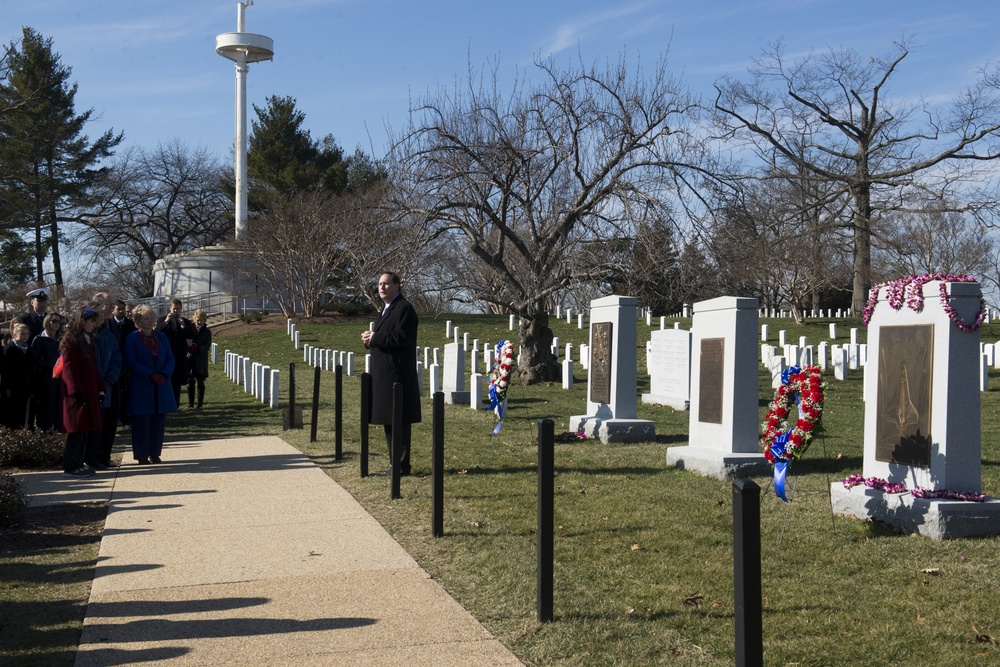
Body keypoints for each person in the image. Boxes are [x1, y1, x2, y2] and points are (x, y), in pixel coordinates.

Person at [361, 272, 421, 476]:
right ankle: (395, 464)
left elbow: (401, 337)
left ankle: (402, 466)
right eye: (379, 284)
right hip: (384, 376)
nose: (381, 287)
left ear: (397, 286)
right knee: (390, 419)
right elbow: (385, 338)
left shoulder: (404, 308)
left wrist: (375, 337)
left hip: (397, 376)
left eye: (386, 284)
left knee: (400, 421)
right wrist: (370, 339)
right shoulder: (386, 309)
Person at [126, 304, 177, 464]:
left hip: (161, 383)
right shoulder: (132, 338)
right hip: (143, 383)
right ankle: (142, 455)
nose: (150, 321)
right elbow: (131, 360)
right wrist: (149, 374)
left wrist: (163, 373)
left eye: (152, 318)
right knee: (142, 420)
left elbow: (170, 357)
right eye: (146, 318)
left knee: (158, 419)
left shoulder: (161, 337)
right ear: (138, 321)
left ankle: (155, 453)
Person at [59, 306, 102, 478]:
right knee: (76, 430)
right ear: (82, 321)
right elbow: (69, 368)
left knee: (84, 429)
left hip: (88, 389)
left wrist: (100, 387)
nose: (94, 324)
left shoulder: (88, 338)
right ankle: (70, 466)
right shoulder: (71, 339)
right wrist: (75, 390)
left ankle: (79, 463)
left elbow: (92, 367)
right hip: (76, 392)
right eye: (92, 321)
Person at [91, 294, 123, 468]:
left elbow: (117, 356)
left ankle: (105, 455)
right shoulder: (89, 332)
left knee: (110, 420)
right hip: (94, 383)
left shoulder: (111, 327)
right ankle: (93, 456)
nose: (112, 307)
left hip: (112, 381)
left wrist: (110, 379)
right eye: (108, 304)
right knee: (97, 421)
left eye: (113, 304)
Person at [156, 298, 195, 407]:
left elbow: (190, 335)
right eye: (174, 309)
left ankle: (175, 404)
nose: (176, 311)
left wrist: (183, 325)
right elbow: (157, 332)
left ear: (181, 309)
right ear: (170, 308)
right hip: (165, 354)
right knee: (166, 379)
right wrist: (166, 322)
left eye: (178, 309)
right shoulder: (162, 320)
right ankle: (165, 403)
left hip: (179, 356)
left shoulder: (186, 322)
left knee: (177, 381)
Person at [30, 313, 64, 431]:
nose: (57, 324)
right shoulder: (39, 339)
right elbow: (34, 359)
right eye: (54, 321)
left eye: (59, 322)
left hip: (61, 378)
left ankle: (56, 433)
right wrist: (51, 366)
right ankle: (44, 434)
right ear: (47, 322)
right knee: (46, 407)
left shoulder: (62, 338)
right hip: (45, 378)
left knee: (58, 406)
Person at [2, 323, 34, 429]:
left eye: (26, 334)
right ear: (15, 335)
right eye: (22, 334)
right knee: (12, 414)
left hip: (25, 387)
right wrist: (6, 388)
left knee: (23, 414)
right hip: (13, 387)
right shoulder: (9, 350)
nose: (25, 336)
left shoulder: (28, 349)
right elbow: (5, 371)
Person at [113, 300, 136, 425]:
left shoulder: (130, 325)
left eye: (123, 309)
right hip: (115, 361)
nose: (121, 311)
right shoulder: (110, 324)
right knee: (116, 391)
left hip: (127, 361)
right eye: (118, 309)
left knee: (127, 391)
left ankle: (126, 417)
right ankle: (116, 417)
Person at [187, 309, 212, 408]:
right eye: (197, 320)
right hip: (190, 358)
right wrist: (189, 348)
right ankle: (190, 403)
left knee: (200, 381)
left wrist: (198, 349)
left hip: (201, 359)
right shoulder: (190, 330)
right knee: (190, 381)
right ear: (194, 319)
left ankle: (200, 404)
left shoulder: (207, 332)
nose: (199, 322)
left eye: (201, 320)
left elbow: (207, 345)